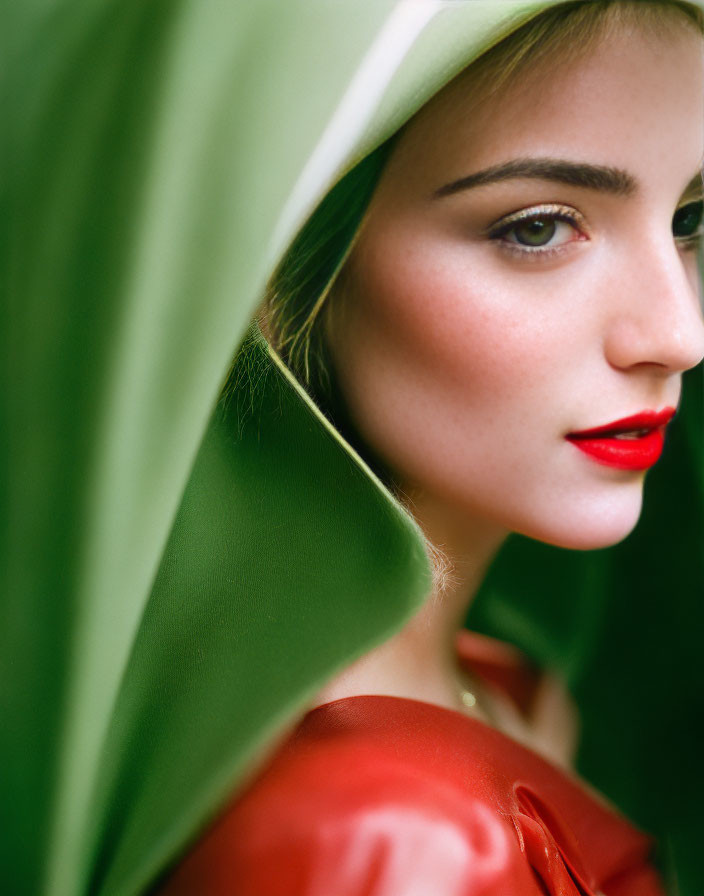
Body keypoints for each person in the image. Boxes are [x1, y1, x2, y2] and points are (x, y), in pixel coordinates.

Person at [156, 1, 704, 893]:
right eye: (537, 227)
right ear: (286, 274)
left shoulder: (504, 690)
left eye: (690, 220)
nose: (678, 335)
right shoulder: (381, 841)